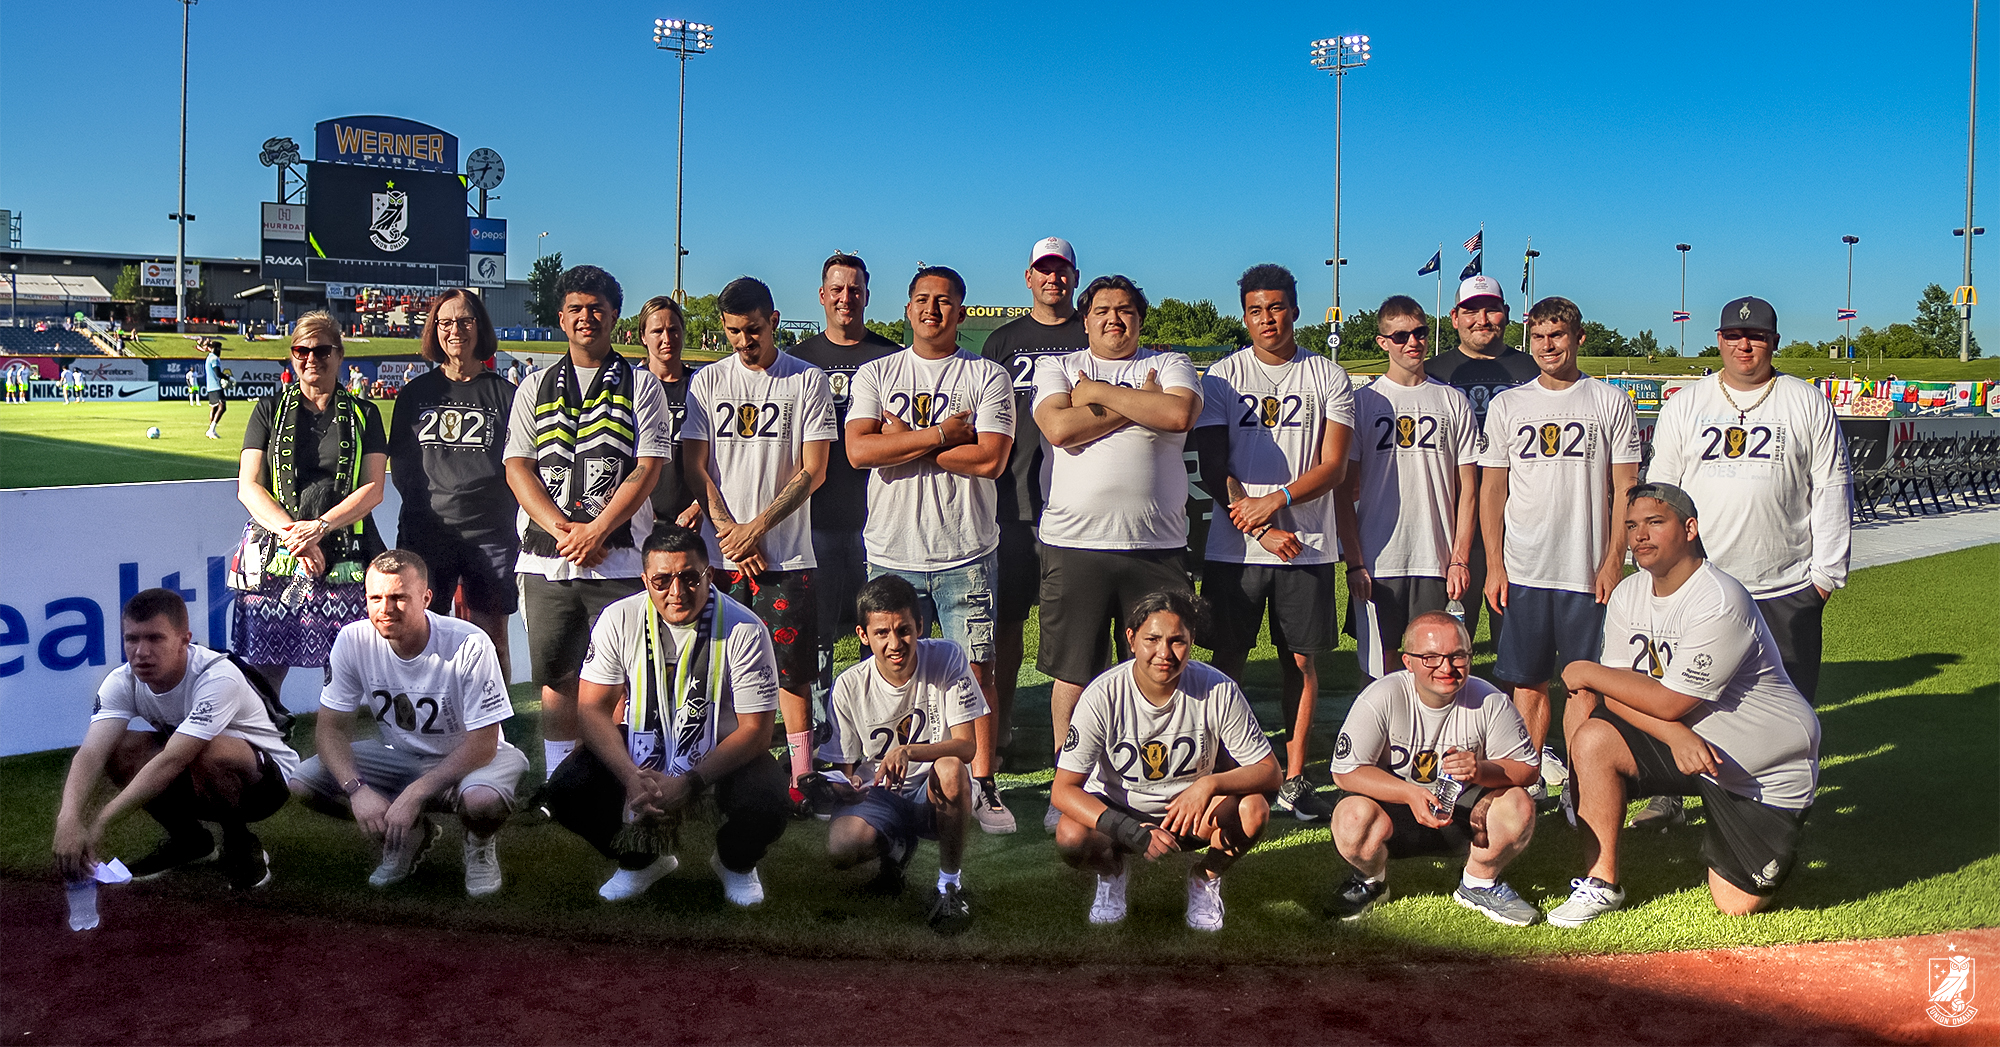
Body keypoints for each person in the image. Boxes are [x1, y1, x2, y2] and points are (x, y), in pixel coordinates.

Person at [1549, 483, 1821, 926]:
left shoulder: (1719, 599)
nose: (1640, 536)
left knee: (1736, 904)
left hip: (1759, 763)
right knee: (1592, 729)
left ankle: (1769, 823)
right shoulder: (1629, 593)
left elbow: (1671, 701)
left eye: (1655, 523)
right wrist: (1674, 735)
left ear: (1690, 528)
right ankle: (1601, 883)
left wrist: (1584, 668)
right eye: (1632, 526)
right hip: (1689, 742)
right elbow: (1625, 695)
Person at [1634, 297, 1851, 830]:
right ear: (1719, 339)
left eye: (1755, 336)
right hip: (1700, 582)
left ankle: (1781, 801)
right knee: (1679, 694)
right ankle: (1673, 796)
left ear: (1774, 342)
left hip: (1783, 584)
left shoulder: (1805, 402)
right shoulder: (1688, 402)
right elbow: (1663, 491)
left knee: (1785, 705)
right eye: (1733, 335)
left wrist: (1825, 577)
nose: (1744, 344)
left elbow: (1832, 489)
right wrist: (1657, 568)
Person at [846, 265, 1017, 833]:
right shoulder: (876, 371)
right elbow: (858, 452)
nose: (932, 310)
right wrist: (945, 436)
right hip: (892, 549)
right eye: (922, 300)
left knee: (976, 671)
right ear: (907, 308)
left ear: (961, 312)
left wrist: (902, 442)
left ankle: (984, 784)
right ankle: (879, 778)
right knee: (890, 671)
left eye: (944, 302)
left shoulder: (987, 375)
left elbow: (991, 459)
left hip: (964, 551)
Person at [1032, 275, 1201, 830]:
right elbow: (1059, 427)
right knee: (1075, 670)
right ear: (1086, 319)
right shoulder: (1057, 366)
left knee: (1156, 665)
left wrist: (1100, 395)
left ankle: (1152, 783)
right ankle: (1068, 784)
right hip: (1075, 544)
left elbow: (1177, 416)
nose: (1113, 320)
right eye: (1102, 310)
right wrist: (1141, 402)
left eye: (1125, 310)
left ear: (1140, 318)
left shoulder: (1173, 363)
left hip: (1155, 546)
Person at [546, 527, 790, 905]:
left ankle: (735, 862)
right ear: (645, 580)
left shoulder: (745, 628)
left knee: (770, 796)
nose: (676, 592)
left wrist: (690, 782)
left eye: (689, 577)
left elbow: (757, 732)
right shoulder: (617, 619)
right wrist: (629, 777)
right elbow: (591, 709)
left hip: (722, 753)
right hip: (641, 749)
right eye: (661, 580)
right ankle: (641, 861)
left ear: (709, 574)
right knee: (567, 789)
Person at [1195, 264, 1355, 822]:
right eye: (1256, 310)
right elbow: (1214, 467)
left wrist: (1279, 499)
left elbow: (1333, 467)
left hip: (1307, 546)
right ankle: (1222, 770)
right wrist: (1261, 524)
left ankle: (1294, 777)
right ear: (1244, 315)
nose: (1267, 320)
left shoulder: (1328, 376)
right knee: (1226, 663)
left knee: (1302, 662)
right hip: (1235, 549)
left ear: (1295, 309)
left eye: (1276, 308)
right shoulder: (1220, 377)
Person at [502, 265, 671, 787]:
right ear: (560, 317)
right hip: (546, 558)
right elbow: (517, 466)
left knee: (623, 679)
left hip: (617, 557)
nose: (586, 317)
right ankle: (560, 782)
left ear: (615, 316)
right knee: (556, 676)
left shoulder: (642, 385)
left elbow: (647, 467)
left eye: (596, 307)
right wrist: (563, 531)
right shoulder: (532, 385)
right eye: (575, 308)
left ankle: (618, 777)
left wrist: (597, 530)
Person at [291, 551, 528, 897]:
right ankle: (407, 835)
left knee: (482, 801)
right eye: (375, 598)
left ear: (426, 598)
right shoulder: (352, 640)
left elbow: (483, 744)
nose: (385, 609)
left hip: (475, 758)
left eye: (399, 597)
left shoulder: (470, 643)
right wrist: (357, 790)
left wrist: (414, 794)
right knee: (304, 781)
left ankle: (479, 842)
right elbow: (330, 730)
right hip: (402, 757)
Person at [682, 276, 837, 806]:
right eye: (732, 332)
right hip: (719, 556)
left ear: (773, 320)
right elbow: (694, 465)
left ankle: (800, 776)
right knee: (707, 663)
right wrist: (729, 531)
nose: (743, 342)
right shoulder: (707, 382)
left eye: (752, 330)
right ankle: (702, 765)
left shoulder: (805, 381)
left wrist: (757, 529)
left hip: (786, 554)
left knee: (791, 675)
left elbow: (814, 470)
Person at [1479, 296, 1640, 795]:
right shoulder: (1509, 404)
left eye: (1558, 336)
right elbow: (1492, 490)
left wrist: (1615, 560)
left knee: (1582, 683)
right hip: (1524, 569)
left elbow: (1626, 490)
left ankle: (1579, 779)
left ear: (1578, 338)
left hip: (1585, 570)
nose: (1548, 346)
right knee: (1527, 683)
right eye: (1539, 337)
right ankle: (1526, 783)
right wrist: (1494, 565)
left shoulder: (1610, 402)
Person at [1051, 590, 1280, 931]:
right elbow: (1063, 790)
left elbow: (1270, 771)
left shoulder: (1218, 689)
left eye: (1177, 641)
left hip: (1192, 813)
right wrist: (1127, 828)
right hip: (1120, 810)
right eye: (1152, 639)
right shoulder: (1102, 695)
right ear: (1131, 639)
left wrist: (1210, 783)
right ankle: (1111, 874)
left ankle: (1206, 877)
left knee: (1254, 810)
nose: (1164, 653)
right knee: (1070, 834)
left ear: (1193, 641)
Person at [53, 589, 299, 892]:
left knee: (206, 750)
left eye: (155, 638)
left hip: (265, 785)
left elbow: (174, 760)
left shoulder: (217, 675)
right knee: (119, 748)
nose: (141, 652)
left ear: (184, 640)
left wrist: (100, 822)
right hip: (196, 776)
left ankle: (239, 842)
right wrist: (68, 818)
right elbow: (91, 754)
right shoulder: (122, 680)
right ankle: (190, 842)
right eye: (132, 639)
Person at [1326, 611, 1541, 925]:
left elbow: (1527, 769)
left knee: (1519, 804)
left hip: (1465, 816)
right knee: (1351, 816)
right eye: (1430, 657)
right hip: (1395, 813)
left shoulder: (1490, 700)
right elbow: (1345, 771)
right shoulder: (1381, 696)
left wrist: (1481, 770)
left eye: (1458, 656)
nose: (1446, 667)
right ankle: (1370, 880)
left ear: (1470, 657)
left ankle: (1479, 882)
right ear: (1408, 662)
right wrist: (1409, 793)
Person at [806, 575, 986, 934]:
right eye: (881, 633)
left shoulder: (947, 656)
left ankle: (949, 883)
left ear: (920, 625)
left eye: (904, 630)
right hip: (879, 791)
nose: (895, 644)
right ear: (862, 635)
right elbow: (848, 768)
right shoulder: (849, 684)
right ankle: (895, 849)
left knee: (951, 768)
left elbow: (967, 746)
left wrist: (908, 750)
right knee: (841, 848)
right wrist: (846, 785)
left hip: (932, 789)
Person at [233, 312, 389, 692]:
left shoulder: (365, 414)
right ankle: (267, 751)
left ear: (339, 355)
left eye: (321, 351)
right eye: (301, 350)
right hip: (276, 554)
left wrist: (319, 528)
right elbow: (248, 486)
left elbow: (373, 489)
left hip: (345, 555)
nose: (311, 359)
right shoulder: (268, 409)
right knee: (265, 670)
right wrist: (297, 537)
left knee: (342, 672)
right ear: (291, 355)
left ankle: (334, 751)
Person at [978, 236, 1089, 758]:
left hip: (1084, 510)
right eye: (1043, 270)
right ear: (1028, 278)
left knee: (1084, 635)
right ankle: (998, 735)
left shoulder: (1093, 334)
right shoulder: (1002, 343)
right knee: (1006, 629)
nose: (1053, 279)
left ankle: (1084, 743)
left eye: (1061, 270)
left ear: (1074, 275)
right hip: (1013, 508)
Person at [1338, 296, 1479, 679]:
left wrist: (1460, 557)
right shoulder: (1363, 402)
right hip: (1379, 560)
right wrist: (1354, 561)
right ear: (1382, 341)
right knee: (1379, 671)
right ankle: (1384, 741)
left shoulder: (1453, 401)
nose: (1412, 342)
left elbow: (1469, 488)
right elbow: (1342, 491)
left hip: (1436, 558)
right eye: (1400, 336)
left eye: (1419, 332)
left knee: (1437, 665)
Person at [789, 254, 902, 727]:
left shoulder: (891, 357)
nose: (845, 298)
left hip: (878, 520)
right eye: (836, 289)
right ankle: (818, 729)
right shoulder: (799, 361)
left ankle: (871, 726)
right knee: (816, 634)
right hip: (812, 522)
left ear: (867, 297)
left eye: (854, 289)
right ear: (821, 295)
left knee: (875, 629)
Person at [389, 289, 520, 678]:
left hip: (491, 534)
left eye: (464, 321)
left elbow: (518, 466)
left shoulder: (505, 394)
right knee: (417, 635)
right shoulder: (416, 394)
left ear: (480, 327)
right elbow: (402, 466)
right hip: (427, 532)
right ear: (434, 330)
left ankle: (492, 729)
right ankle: (420, 725)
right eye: (445, 322)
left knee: (492, 640)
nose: (455, 330)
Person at [1425, 276, 1540, 652]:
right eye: (1471, 310)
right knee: (1450, 640)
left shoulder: (1534, 368)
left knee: (1515, 643)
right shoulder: (1432, 373)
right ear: (1454, 316)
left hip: (1519, 520)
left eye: (1491, 309)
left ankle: (1507, 710)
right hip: (1449, 519)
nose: (1482, 319)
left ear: (1506, 314)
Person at [635, 295, 704, 536]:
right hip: (640, 518)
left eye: (673, 329)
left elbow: (720, 455)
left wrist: (700, 505)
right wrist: (636, 506)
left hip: (691, 521)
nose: (667, 339)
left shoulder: (701, 386)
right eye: (657, 331)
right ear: (643, 336)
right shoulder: (629, 387)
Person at [204, 338, 230, 439]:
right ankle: (211, 430)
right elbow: (217, 373)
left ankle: (211, 430)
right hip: (215, 386)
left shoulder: (209, 357)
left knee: (214, 408)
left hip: (210, 387)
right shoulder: (214, 358)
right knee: (222, 407)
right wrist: (228, 378)